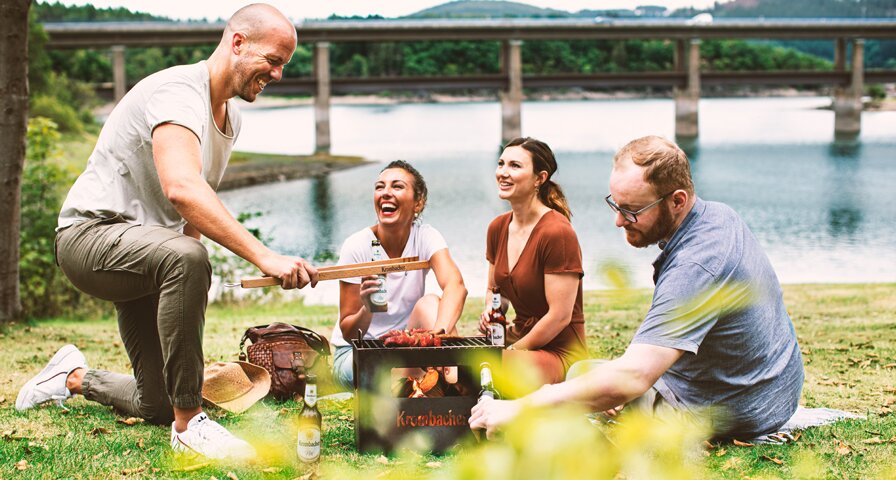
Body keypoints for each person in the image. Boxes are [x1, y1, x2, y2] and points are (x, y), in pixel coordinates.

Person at [15, 4, 314, 461]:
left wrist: (182, 282)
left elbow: (194, 215)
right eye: (273, 60)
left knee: (153, 400)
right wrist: (263, 256)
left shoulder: (229, 119)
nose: (277, 74)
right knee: (186, 260)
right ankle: (190, 425)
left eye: (283, 65)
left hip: (147, 254)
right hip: (89, 237)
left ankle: (73, 376)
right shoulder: (178, 91)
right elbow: (182, 189)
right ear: (237, 43)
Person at [470, 135, 804, 441]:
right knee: (586, 375)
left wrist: (520, 408)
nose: (618, 221)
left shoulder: (696, 265)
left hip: (735, 409)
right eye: (615, 205)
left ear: (677, 200)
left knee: (577, 396)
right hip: (773, 388)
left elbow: (633, 376)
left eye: (631, 211)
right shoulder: (718, 216)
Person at [331, 160, 467, 389]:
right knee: (387, 368)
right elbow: (349, 335)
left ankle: (431, 374)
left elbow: (455, 285)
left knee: (431, 303)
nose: (385, 193)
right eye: (379, 187)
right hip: (357, 352)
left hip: (405, 344)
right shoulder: (357, 246)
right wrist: (367, 309)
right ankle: (431, 379)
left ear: (418, 202)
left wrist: (440, 336)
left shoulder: (425, 236)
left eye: (397, 186)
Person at [480, 137, 588, 388]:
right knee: (456, 367)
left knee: (486, 371)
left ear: (539, 178)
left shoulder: (557, 232)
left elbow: (560, 316)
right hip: (515, 341)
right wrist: (491, 311)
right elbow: (495, 291)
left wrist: (514, 351)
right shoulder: (497, 228)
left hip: (559, 353)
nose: (503, 173)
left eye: (515, 166)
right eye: (501, 163)